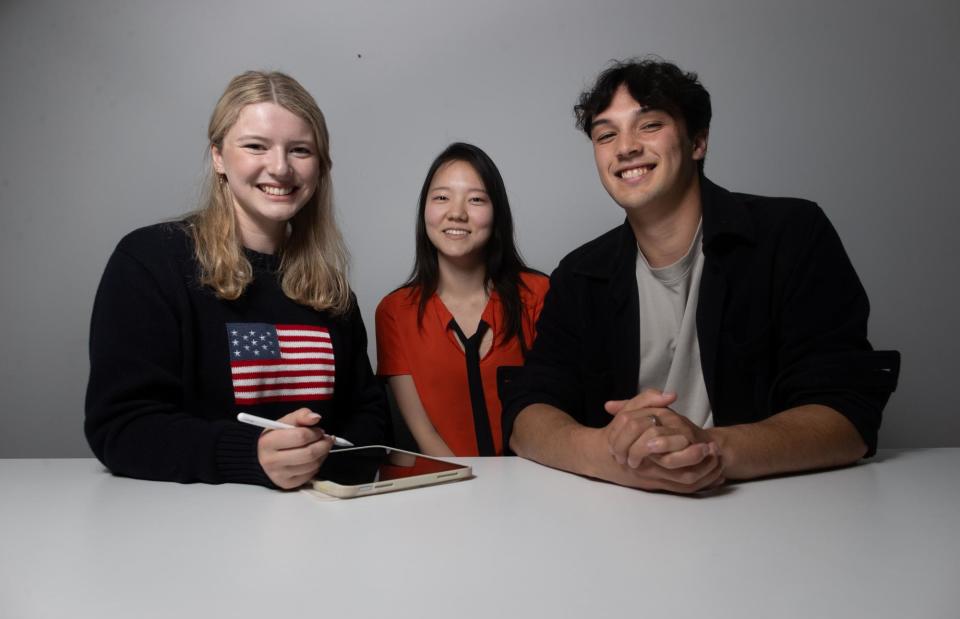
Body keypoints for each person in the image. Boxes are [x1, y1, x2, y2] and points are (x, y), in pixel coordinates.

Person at [503, 58, 900, 493]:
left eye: (649, 125)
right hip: (625, 517)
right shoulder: (579, 274)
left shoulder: (791, 234)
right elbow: (528, 414)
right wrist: (607, 455)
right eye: (606, 134)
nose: (626, 147)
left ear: (698, 141)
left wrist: (709, 449)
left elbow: (846, 416)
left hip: (777, 511)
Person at [85, 71, 387, 489]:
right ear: (218, 157)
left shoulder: (331, 289)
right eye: (255, 146)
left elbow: (369, 413)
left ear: (320, 167)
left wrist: (324, 454)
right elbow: (120, 426)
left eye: (300, 150)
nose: (280, 168)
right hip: (193, 527)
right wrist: (249, 454)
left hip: (319, 526)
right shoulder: (150, 261)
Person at [376, 142, 549, 456]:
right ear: (424, 210)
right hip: (447, 486)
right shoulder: (395, 311)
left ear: (497, 212)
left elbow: (555, 408)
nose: (456, 213)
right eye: (441, 197)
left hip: (534, 481)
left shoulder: (538, 294)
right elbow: (423, 432)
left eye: (476, 199)